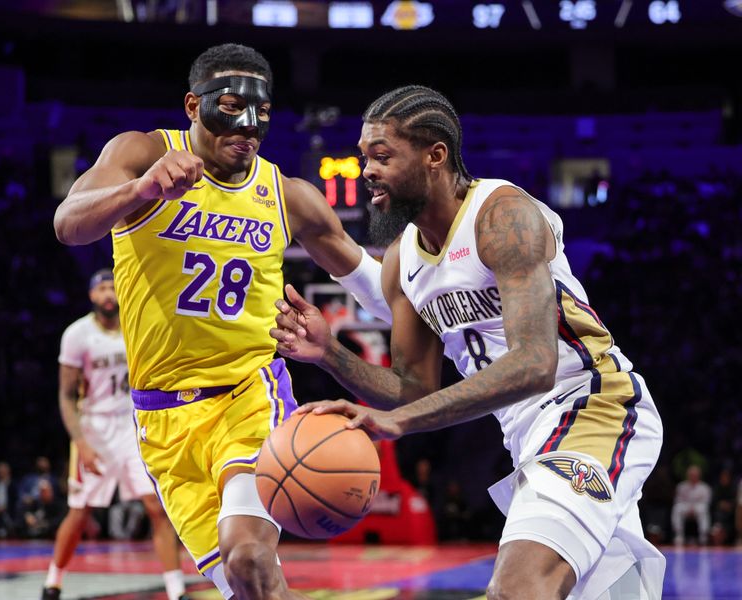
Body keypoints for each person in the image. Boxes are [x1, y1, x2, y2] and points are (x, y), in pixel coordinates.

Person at [272, 85, 665, 599]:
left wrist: (398, 422)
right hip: (527, 436)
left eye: (382, 156)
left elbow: (535, 364)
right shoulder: (401, 261)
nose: (367, 171)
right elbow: (413, 389)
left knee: (517, 588)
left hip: (594, 406)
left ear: (435, 156)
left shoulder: (502, 216)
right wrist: (331, 354)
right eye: (365, 158)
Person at [52, 44, 388, 599]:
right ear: (193, 105)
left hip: (246, 394)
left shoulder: (288, 195)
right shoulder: (141, 153)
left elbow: (375, 292)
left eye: (261, 114)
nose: (249, 127)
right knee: (246, 583)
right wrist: (143, 190)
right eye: (231, 108)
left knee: (250, 554)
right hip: (160, 419)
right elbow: (68, 224)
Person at [41, 270, 189, 600]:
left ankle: (177, 591)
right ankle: (53, 583)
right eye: (102, 288)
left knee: (157, 507)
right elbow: (66, 396)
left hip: (135, 426)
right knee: (80, 513)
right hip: (95, 429)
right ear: (92, 295)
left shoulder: (138, 324)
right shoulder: (77, 334)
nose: (108, 293)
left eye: (113, 287)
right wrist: (80, 442)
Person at [671, 464, 712, 546]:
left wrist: (693, 508)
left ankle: (703, 536)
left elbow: (706, 502)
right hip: (685, 507)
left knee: (703, 509)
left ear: (699, 476)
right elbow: (678, 500)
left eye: (695, 475)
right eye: (691, 475)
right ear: (688, 475)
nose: (693, 476)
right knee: (677, 508)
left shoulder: (704, 487)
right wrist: (689, 508)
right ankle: (679, 535)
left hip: (698, 508)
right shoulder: (681, 486)